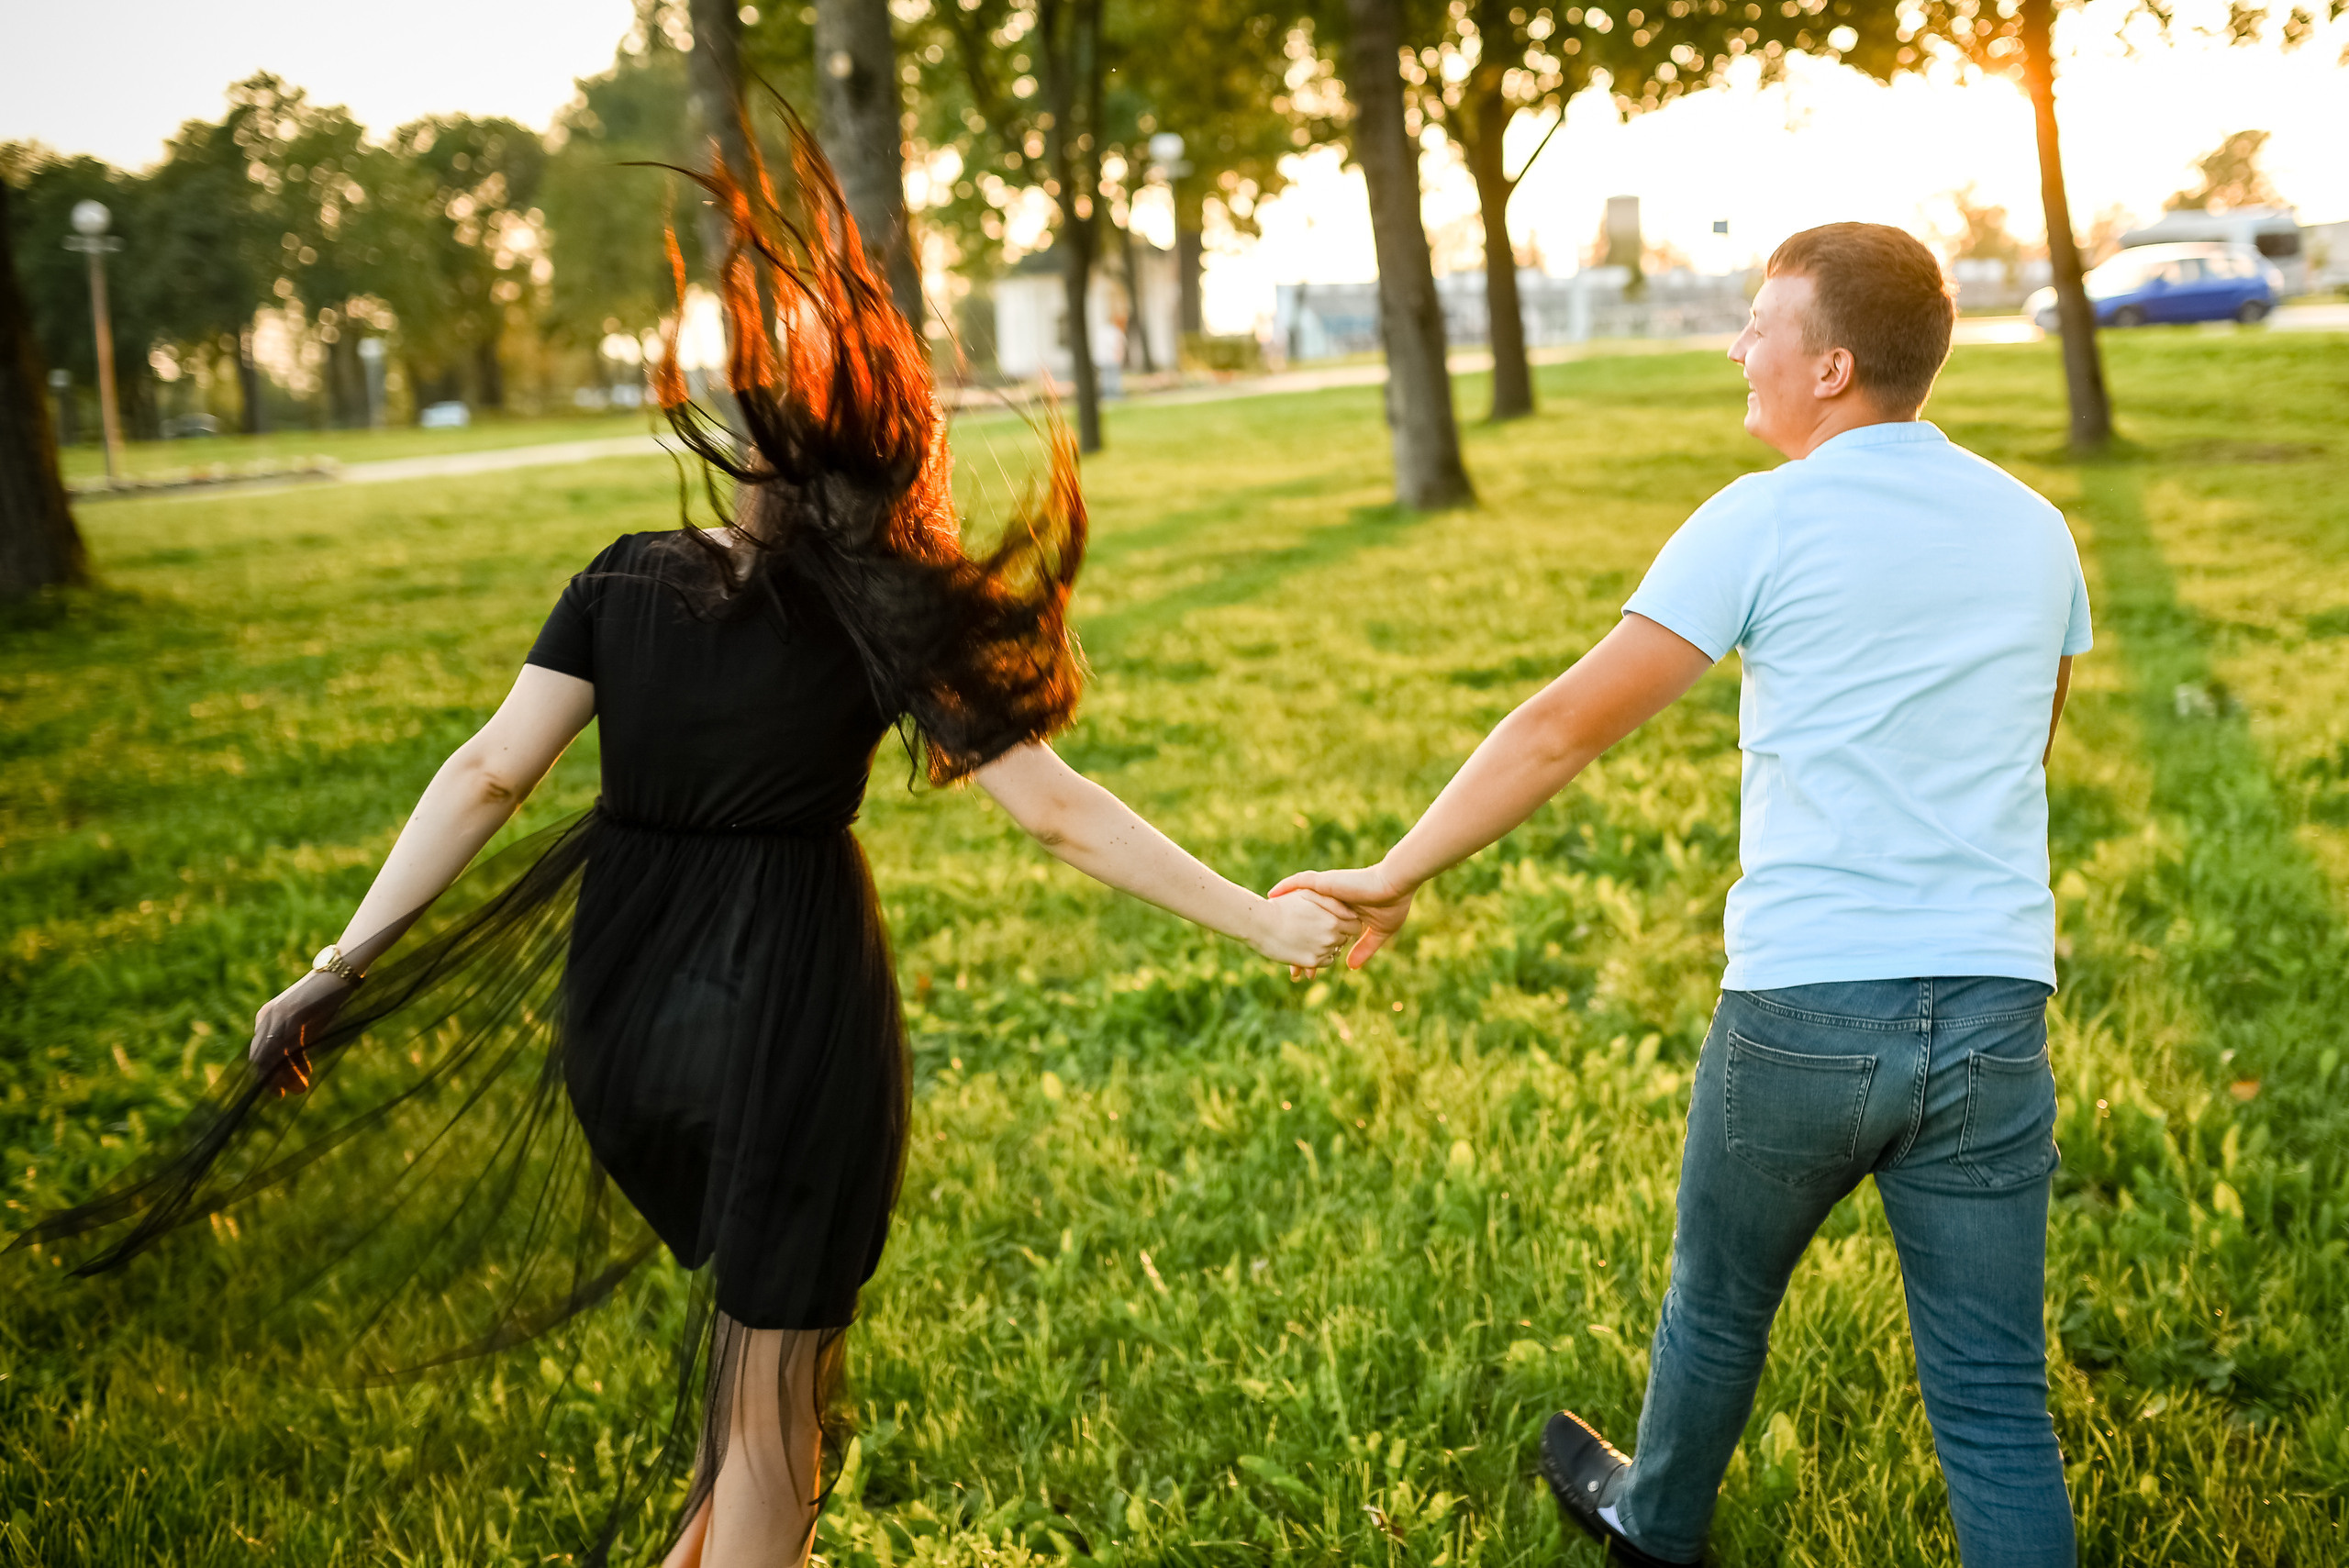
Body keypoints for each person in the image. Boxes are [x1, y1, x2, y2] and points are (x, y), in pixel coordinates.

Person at [14, 122, 1359, 1568]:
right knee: (780, 1419)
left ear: (753, 456)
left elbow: (487, 774)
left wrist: (339, 962)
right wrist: (1259, 917)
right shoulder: (880, 608)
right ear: (894, 461)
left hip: (626, 1016)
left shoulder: (623, 580)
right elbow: (1057, 810)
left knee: (750, 1399)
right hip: (787, 1009)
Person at [1276, 222, 2087, 1567]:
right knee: (1997, 1394)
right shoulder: (2036, 527)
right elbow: (2027, 747)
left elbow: (1561, 728)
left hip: (1805, 1015)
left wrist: (1395, 868)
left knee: (1718, 1305)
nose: (1736, 348)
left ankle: (1654, 1533)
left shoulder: (1763, 518)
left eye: (1760, 326)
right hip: (1996, 1013)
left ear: (1831, 367)